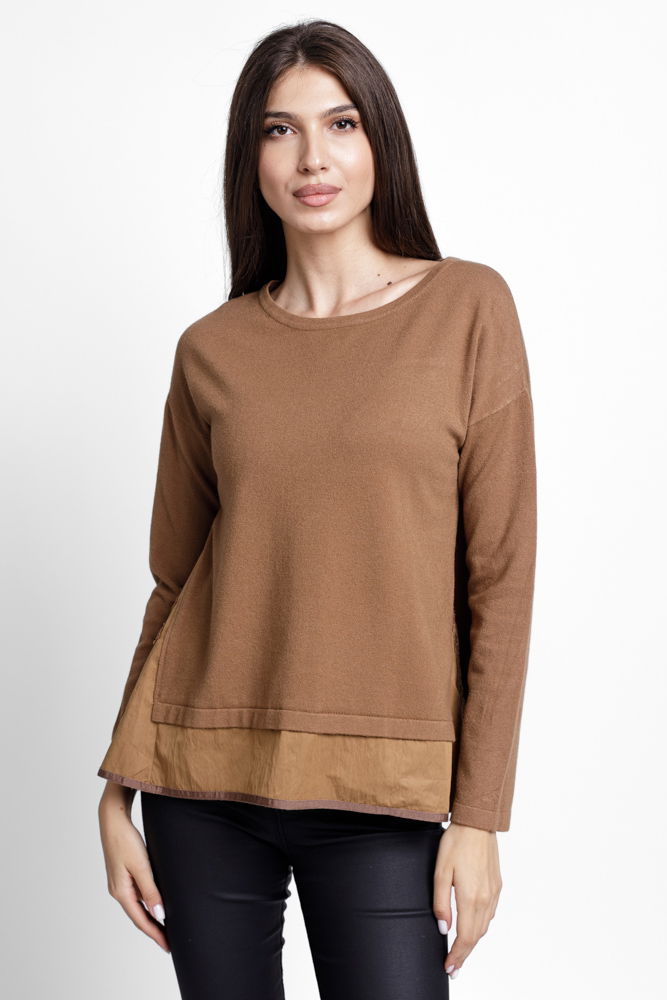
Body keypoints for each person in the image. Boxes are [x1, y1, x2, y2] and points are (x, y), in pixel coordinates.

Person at [97, 18, 537, 1000]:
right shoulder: (211, 349)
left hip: (384, 795)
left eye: (340, 124)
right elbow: (175, 581)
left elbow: (499, 583)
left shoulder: (468, 309)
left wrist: (479, 817)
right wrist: (117, 793)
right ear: (249, 156)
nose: (312, 158)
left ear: (380, 139)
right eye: (279, 129)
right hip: (200, 788)